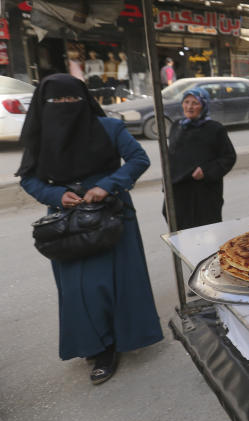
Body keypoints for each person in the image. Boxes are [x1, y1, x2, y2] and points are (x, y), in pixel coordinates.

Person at [15, 74, 163, 385]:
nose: (66, 106)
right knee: (79, 288)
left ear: (85, 100)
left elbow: (138, 158)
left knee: (118, 282)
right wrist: (55, 195)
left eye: (72, 99)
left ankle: (119, 341)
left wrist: (107, 185)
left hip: (111, 213)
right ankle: (97, 346)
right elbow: (29, 179)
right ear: (45, 104)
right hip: (66, 221)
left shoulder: (109, 127)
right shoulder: (40, 137)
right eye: (57, 101)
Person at [165, 87, 237, 230]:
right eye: (186, 102)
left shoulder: (215, 129)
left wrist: (206, 171)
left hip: (204, 193)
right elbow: (170, 156)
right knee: (181, 235)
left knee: (206, 234)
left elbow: (229, 157)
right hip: (179, 191)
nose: (189, 107)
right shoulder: (176, 126)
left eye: (195, 103)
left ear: (203, 106)